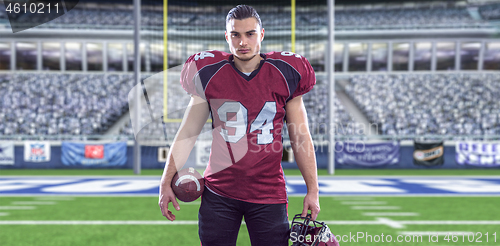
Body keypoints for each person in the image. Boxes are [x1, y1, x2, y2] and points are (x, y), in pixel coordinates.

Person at [159, 5, 320, 246]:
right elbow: (187, 134)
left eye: (250, 34)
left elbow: (300, 137)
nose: (242, 42)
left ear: (262, 35)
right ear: (227, 37)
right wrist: (165, 182)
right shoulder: (209, 73)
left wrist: (313, 190)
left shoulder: (286, 72)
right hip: (218, 193)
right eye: (235, 35)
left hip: (268, 193)